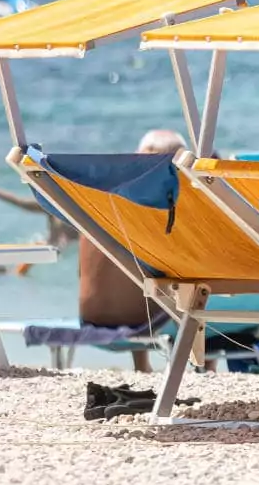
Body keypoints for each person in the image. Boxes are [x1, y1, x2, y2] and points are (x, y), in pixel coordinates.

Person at [76, 129, 189, 372]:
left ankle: (141, 365)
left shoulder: (98, 201)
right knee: (197, 277)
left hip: (92, 319)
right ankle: (207, 364)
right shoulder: (162, 209)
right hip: (146, 323)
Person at [0, 172, 78, 248]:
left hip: (61, 252)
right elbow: (20, 202)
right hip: (53, 252)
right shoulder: (50, 206)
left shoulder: (80, 212)